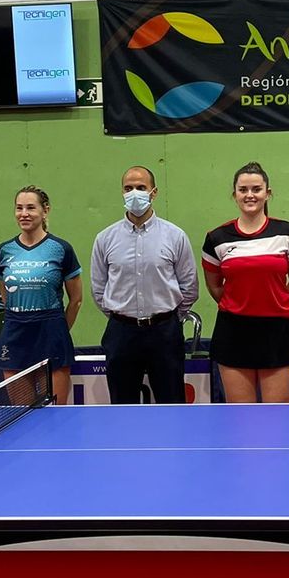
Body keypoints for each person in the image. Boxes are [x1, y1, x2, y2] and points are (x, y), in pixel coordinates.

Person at [89, 165, 199, 404]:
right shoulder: (105, 239)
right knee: (122, 405)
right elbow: (99, 289)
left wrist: (169, 317)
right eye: (128, 188)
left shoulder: (175, 236)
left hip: (164, 332)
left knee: (172, 404)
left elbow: (189, 287)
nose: (134, 193)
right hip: (121, 332)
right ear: (122, 192)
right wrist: (121, 316)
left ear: (154, 192)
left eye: (141, 187)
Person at [201, 162, 289, 403]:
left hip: (278, 331)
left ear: (267, 193)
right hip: (233, 332)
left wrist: (275, 303)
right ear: (235, 194)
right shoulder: (216, 238)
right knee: (241, 417)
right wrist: (241, 305)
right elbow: (215, 286)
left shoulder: (288, 233)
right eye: (243, 189)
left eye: (256, 189)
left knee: (278, 418)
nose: (250, 195)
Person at [0, 185, 83, 405]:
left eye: (31, 208)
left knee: (55, 413)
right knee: (21, 414)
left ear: (45, 211)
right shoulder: (4, 250)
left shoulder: (61, 248)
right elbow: (5, 295)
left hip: (51, 333)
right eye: (19, 208)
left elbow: (76, 300)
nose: (24, 213)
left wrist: (59, 328)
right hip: (15, 333)